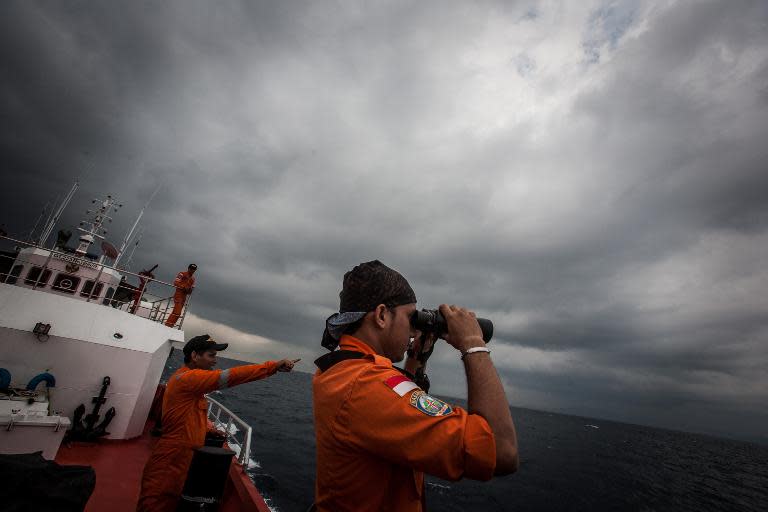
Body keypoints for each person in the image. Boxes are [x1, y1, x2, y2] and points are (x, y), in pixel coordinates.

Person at [313, 260, 518, 511]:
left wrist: (416, 359)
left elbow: (397, 402)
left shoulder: (343, 369)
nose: (414, 330)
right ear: (381, 315)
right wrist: (473, 343)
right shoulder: (366, 386)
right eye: (411, 317)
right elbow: (501, 451)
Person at [137, 334, 299, 511]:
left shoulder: (189, 383)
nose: (215, 360)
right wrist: (273, 366)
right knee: (156, 502)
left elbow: (189, 412)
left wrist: (207, 428)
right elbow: (231, 376)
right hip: (171, 457)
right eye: (211, 355)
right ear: (194, 356)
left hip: (183, 456)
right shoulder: (188, 379)